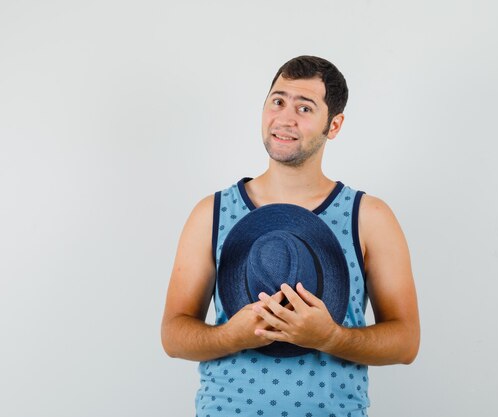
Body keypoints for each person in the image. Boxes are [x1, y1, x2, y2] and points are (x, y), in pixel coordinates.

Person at [161, 55, 420, 417]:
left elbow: (406, 342)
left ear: (334, 125)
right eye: (278, 101)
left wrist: (330, 337)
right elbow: (173, 336)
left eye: (305, 108)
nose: (285, 118)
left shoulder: (369, 216)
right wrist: (230, 336)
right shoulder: (212, 212)